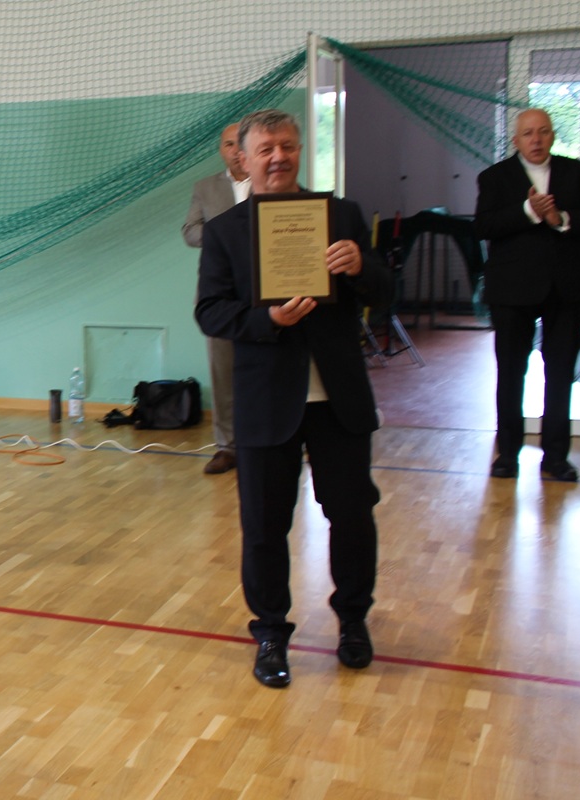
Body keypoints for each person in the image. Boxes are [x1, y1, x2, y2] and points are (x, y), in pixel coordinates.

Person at [195, 109, 391, 688]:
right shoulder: (226, 231)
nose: (278, 157)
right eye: (266, 149)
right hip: (265, 401)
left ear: (300, 150)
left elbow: (385, 290)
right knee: (263, 526)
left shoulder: (341, 215)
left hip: (339, 400)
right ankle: (271, 634)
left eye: (287, 146)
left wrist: (360, 267)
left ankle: (353, 622)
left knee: (351, 517)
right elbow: (211, 312)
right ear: (244, 159)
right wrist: (269, 320)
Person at [475, 107, 580, 483]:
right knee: (510, 374)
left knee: (560, 374)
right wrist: (528, 211)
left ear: (552, 135)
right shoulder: (495, 177)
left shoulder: (575, 172)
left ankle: (556, 457)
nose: (536, 140)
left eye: (543, 132)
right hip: (511, 291)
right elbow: (484, 226)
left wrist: (560, 219)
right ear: (516, 140)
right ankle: (508, 456)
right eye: (528, 133)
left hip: (566, 289)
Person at [182, 123, 251, 475]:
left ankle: (267, 443)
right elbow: (190, 231)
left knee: (268, 370)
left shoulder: (271, 184)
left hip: (264, 294)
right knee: (223, 372)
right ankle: (227, 447)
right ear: (221, 150)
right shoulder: (205, 187)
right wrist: (226, 236)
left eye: (241, 143)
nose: (236, 150)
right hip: (220, 294)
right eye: (228, 144)